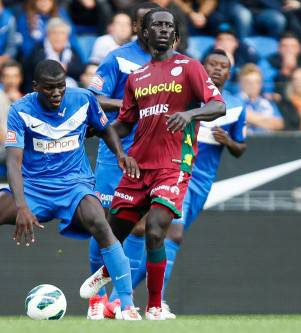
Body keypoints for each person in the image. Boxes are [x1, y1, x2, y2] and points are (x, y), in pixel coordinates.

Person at [0, 60, 143, 321]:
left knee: (100, 221)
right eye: (49, 88)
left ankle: (127, 305)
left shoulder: (84, 99)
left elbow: (105, 128)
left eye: (61, 87)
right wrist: (21, 206)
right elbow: (13, 162)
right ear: (35, 87)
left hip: (75, 185)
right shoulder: (20, 110)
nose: (56, 94)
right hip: (33, 187)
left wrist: (120, 154)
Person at [80, 7, 226, 320]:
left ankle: (155, 306)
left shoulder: (190, 67)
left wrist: (190, 114)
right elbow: (124, 123)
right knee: (112, 232)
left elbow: (217, 105)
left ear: (175, 34)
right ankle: (105, 273)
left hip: (173, 164)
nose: (162, 30)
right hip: (138, 167)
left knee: (156, 231)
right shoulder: (137, 77)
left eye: (168, 26)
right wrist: (104, 135)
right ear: (144, 33)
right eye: (155, 25)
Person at [126, 49, 247, 314]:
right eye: (211, 64)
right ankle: (153, 303)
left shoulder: (236, 105)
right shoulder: (185, 94)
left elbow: (242, 148)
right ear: (201, 67)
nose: (216, 69)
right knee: (172, 233)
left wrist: (228, 142)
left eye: (222, 66)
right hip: (176, 171)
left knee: (160, 237)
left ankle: (121, 297)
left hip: (202, 183)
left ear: (229, 72)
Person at [85, 1, 159, 320]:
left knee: (140, 227)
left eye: (154, 24)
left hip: (151, 157)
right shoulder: (119, 58)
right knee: (102, 223)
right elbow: (94, 99)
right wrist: (130, 103)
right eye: (143, 24)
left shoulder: (170, 63)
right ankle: (96, 300)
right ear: (135, 27)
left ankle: (119, 300)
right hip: (116, 153)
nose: (148, 29)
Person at [23, 18, 85, 92]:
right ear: (48, 35)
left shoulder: (72, 50)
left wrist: (67, 68)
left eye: (62, 33)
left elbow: (80, 69)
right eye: (54, 33)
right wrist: (58, 69)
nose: (58, 37)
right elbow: (35, 69)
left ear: (67, 36)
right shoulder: (38, 49)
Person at [262, 32, 301, 98]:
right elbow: (269, 92)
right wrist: (284, 71)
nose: (289, 50)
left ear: (299, 49)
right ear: (278, 49)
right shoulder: (268, 63)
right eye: (284, 46)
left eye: (293, 46)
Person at [239, 63, 284, 133]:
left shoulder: (267, 102)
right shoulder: (234, 101)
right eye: (248, 82)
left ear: (261, 84)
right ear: (241, 83)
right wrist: (266, 122)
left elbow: (279, 124)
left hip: (265, 142)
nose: (253, 86)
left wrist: (251, 118)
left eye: (256, 82)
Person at [215, 0, 287, 39]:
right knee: (244, 16)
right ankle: (244, 47)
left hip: (261, 10)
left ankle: (273, 48)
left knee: (278, 19)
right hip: (238, 6)